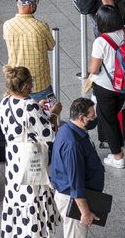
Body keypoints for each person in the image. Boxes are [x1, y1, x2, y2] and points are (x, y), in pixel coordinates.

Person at [0, 66, 61, 238]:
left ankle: (16, 232)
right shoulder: (29, 106)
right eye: (30, 82)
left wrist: (38, 108)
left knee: (16, 197)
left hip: (14, 159)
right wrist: (54, 113)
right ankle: (34, 234)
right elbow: (49, 134)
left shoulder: (5, 101)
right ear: (25, 86)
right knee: (33, 197)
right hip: (30, 159)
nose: (32, 85)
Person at [85, 4, 125, 169]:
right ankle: (119, 150)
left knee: (108, 120)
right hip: (124, 85)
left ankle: (118, 157)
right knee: (114, 116)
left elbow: (94, 69)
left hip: (106, 86)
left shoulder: (101, 42)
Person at [49, 98, 105, 238]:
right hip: (72, 200)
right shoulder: (73, 145)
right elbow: (76, 182)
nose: (94, 119)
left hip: (70, 195)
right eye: (92, 117)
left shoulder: (67, 129)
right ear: (81, 118)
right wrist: (85, 212)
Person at [3, 0, 56, 100]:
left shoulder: (7, 25)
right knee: (48, 115)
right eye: (36, 2)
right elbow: (51, 46)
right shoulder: (40, 26)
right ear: (31, 5)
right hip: (39, 83)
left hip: (16, 83)